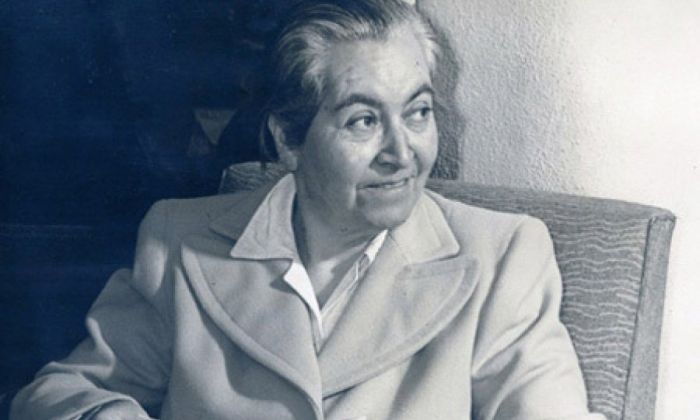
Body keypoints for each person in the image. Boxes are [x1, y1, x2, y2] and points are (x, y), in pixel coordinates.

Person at [11, 1, 605, 419]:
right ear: (289, 141)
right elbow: (60, 394)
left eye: (418, 112)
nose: (402, 154)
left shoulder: (501, 255)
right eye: (363, 121)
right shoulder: (179, 240)